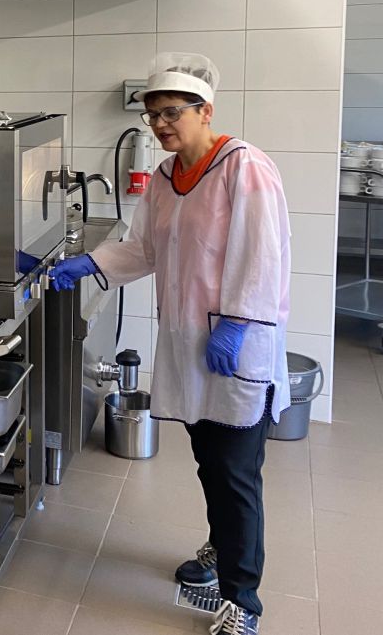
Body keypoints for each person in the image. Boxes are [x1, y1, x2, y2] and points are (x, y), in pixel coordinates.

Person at [49, 52, 289, 635]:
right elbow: (145, 250)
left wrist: (237, 322)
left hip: (236, 347)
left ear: (205, 111)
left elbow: (264, 254)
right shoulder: (163, 179)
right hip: (188, 346)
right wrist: (91, 262)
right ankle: (221, 548)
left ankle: (243, 602)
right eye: (153, 115)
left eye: (171, 113)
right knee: (211, 463)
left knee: (236, 474)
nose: (159, 125)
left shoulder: (243, 166)